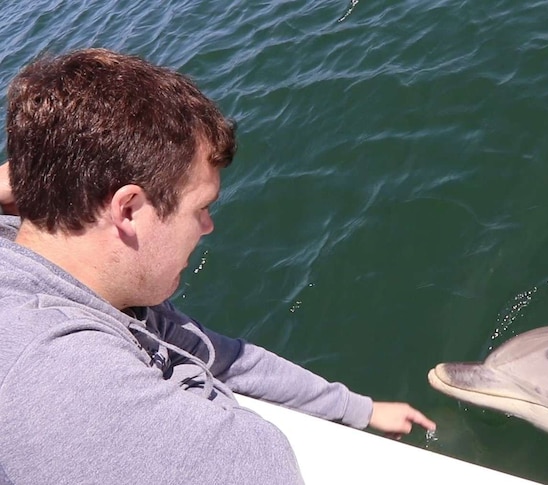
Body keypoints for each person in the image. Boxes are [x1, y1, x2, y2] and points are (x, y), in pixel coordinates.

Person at [0, 48, 435, 484]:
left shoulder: (89, 278)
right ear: (128, 210)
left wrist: (357, 408)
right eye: (201, 208)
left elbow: (225, 357)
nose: (208, 227)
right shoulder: (65, 387)